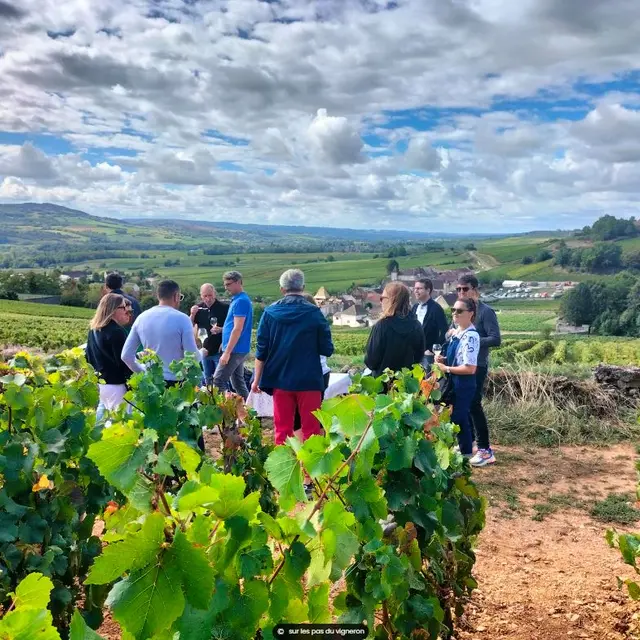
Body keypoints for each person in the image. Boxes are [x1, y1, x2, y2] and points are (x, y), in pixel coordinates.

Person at [251, 269, 334, 446]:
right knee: (312, 433)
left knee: (283, 432)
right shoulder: (314, 314)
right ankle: (310, 473)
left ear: (282, 289)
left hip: (280, 380)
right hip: (309, 380)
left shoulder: (269, 313)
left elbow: (261, 350)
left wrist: (256, 380)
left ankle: (285, 471)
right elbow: (327, 349)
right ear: (303, 287)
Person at [453, 274, 501, 467]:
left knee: (474, 404)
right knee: (464, 403)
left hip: (478, 365)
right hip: (461, 364)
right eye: (458, 289)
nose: (462, 292)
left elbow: (495, 339)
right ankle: (471, 443)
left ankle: (485, 450)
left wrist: (471, 339)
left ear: (475, 289)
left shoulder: (486, 312)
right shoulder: (460, 310)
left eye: (465, 289)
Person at [121, 279, 201, 385]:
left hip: (152, 381)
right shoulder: (182, 319)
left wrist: (143, 372)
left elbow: (126, 356)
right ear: (176, 296)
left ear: (158, 296)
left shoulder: (142, 318)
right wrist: (203, 353)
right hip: (176, 383)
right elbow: (192, 356)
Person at [435, 298, 480, 459]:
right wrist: (444, 360)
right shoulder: (459, 333)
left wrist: (446, 368)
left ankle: (466, 453)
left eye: (459, 311)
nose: (455, 313)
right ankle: (464, 450)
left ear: (470, 314)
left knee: (458, 417)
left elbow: (470, 368)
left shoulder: (471, 337)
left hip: (463, 383)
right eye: (453, 310)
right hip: (455, 381)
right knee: (458, 418)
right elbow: (458, 359)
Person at [85, 293, 133, 420]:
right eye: (123, 307)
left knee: (105, 421)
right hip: (117, 385)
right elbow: (124, 361)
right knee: (120, 423)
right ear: (113, 310)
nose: (126, 311)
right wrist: (133, 384)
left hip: (103, 385)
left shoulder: (94, 329)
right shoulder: (116, 331)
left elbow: (88, 356)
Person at [364, 282, 425, 378]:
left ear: (391, 300)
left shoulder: (382, 326)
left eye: (382, 298)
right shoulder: (417, 326)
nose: (381, 302)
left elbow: (371, 361)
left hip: (383, 385)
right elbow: (419, 357)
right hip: (407, 385)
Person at [212, 271, 253, 400]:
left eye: (228, 284)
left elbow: (238, 328)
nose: (226, 288)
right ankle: (248, 413)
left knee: (218, 381)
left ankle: (229, 411)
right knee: (238, 383)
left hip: (235, 349)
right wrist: (223, 330)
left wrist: (227, 352)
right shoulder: (239, 299)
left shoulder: (241, 301)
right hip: (238, 348)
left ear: (238, 282)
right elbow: (235, 326)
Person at [189, 283, 229, 384]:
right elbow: (189, 326)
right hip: (205, 350)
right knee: (207, 379)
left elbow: (232, 328)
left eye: (210, 295)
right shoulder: (198, 308)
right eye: (205, 296)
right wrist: (192, 314)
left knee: (220, 381)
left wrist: (221, 329)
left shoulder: (224, 308)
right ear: (201, 296)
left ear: (214, 294)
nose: (208, 298)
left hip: (219, 351)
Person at [411, 278, 448, 368]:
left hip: (427, 355)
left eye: (419, 288)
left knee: (428, 379)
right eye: (415, 288)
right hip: (413, 352)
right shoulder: (415, 307)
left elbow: (444, 331)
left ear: (428, 290)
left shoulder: (436, 309)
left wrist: (432, 349)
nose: (416, 291)